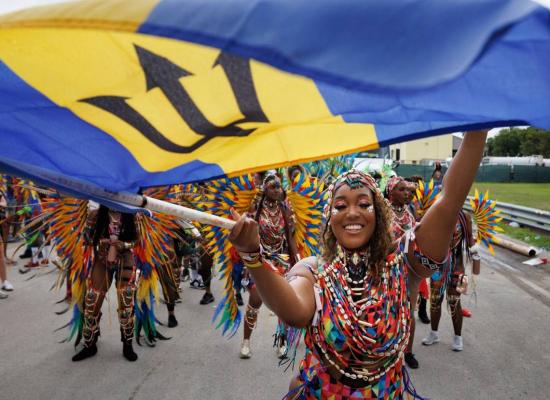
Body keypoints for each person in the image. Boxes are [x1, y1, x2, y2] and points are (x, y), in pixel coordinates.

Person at [229, 131, 487, 398]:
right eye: (340, 206)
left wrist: (477, 133)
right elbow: (294, 311)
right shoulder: (314, 271)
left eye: (364, 204)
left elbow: (449, 201)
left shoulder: (402, 265)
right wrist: (253, 258)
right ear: (330, 219)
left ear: (378, 212)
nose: (352, 212)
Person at [239, 174, 298, 359]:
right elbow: (247, 236)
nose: (277, 190)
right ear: (265, 189)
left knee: (282, 303)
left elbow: (290, 238)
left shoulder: (285, 210)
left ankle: (282, 342)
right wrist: (248, 261)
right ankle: (246, 342)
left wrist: (297, 260)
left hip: (281, 260)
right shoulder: (255, 209)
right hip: (260, 259)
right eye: (273, 187)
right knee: (255, 300)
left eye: (279, 187)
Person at [72, 205, 138, 362]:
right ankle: (90, 345)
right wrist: (100, 241)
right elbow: (86, 239)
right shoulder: (96, 215)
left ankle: (127, 345)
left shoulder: (132, 214)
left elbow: (137, 239)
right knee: (92, 300)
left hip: (125, 259)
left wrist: (125, 245)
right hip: (103, 259)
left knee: (126, 301)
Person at [422, 210, 480, 351]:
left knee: (454, 301)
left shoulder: (464, 216)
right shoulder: (437, 211)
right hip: (438, 266)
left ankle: (457, 337)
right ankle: (434, 333)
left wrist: (475, 254)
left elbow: (470, 239)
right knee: (435, 300)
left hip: (456, 265)